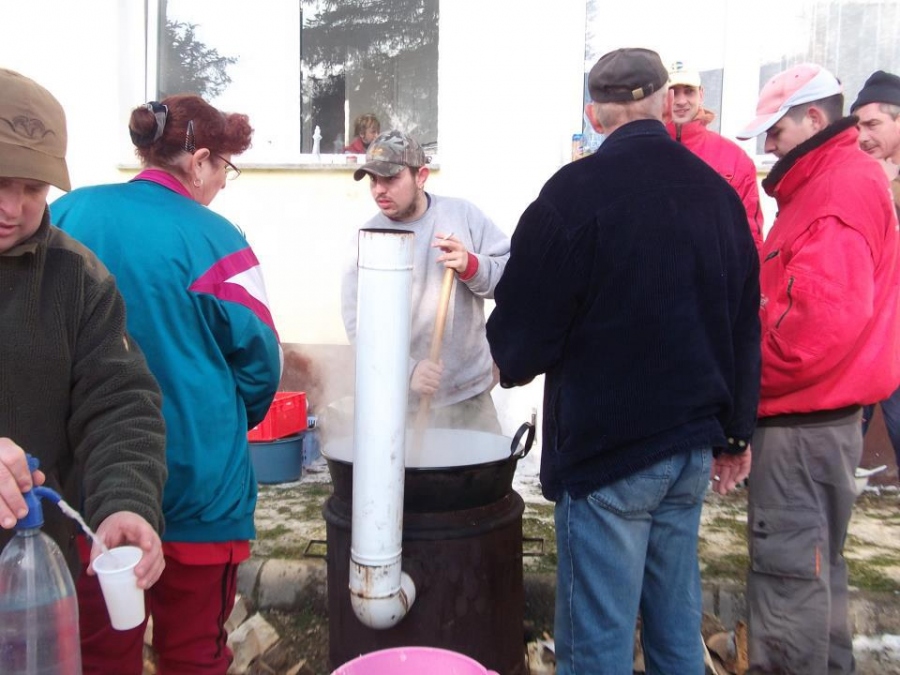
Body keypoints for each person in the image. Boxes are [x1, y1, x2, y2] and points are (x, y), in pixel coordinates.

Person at [486, 48, 761, 674]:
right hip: (690, 450)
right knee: (675, 629)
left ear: (593, 115)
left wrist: (509, 360)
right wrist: (737, 432)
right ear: (666, 104)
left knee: (596, 646)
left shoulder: (573, 194)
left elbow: (520, 336)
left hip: (608, 456)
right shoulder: (718, 196)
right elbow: (745, 322)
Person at [51, 95, 283, 674]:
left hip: (93, 486)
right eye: (224, 168)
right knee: (194, 653)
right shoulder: (217, 240)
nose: (222, 183)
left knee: (102, 652)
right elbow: (261, 366)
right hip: (198, 487)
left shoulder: (67, 214)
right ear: (200, 162)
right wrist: (224, 421)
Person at [735, 63, 900, 674]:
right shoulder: (834, 181)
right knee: (815, 575)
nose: (768, 145)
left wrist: (740, 386)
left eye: (775, 131)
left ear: (813, 118)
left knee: (789, 586)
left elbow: (812, 337)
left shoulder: (833, 196)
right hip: (822, 422)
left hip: (801, 427)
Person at [0, 69, 167, 602]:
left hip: (33, 578)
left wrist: (125, 502)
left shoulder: (78, 277)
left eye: (33, 188)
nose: (13, 208)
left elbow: (119, 405)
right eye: (0, 182)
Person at [342, 130, 510, 433]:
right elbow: (359, 325)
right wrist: (407, 372)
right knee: (412, 467)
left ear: (421, 176)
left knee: (485, 466)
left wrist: (472, 266)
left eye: (390, 179)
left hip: (470, 398)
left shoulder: (461, 215)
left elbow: (511, 279)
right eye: (373, 180)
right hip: (399, 403)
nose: (379, 190)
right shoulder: (367, 240)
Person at [850, 70, 900, 470]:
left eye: (873, 125)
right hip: (864, 329)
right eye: (857, 127)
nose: (862, 137)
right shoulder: (857, 172)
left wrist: (889, 190)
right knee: (844, 439)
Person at [667, 60, 764, 249]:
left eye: (688, 91)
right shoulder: (642, 154)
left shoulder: (734, 157)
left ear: (701, 94)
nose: (681, 101)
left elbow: (751, 234)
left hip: (716, 266)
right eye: (673, 92)